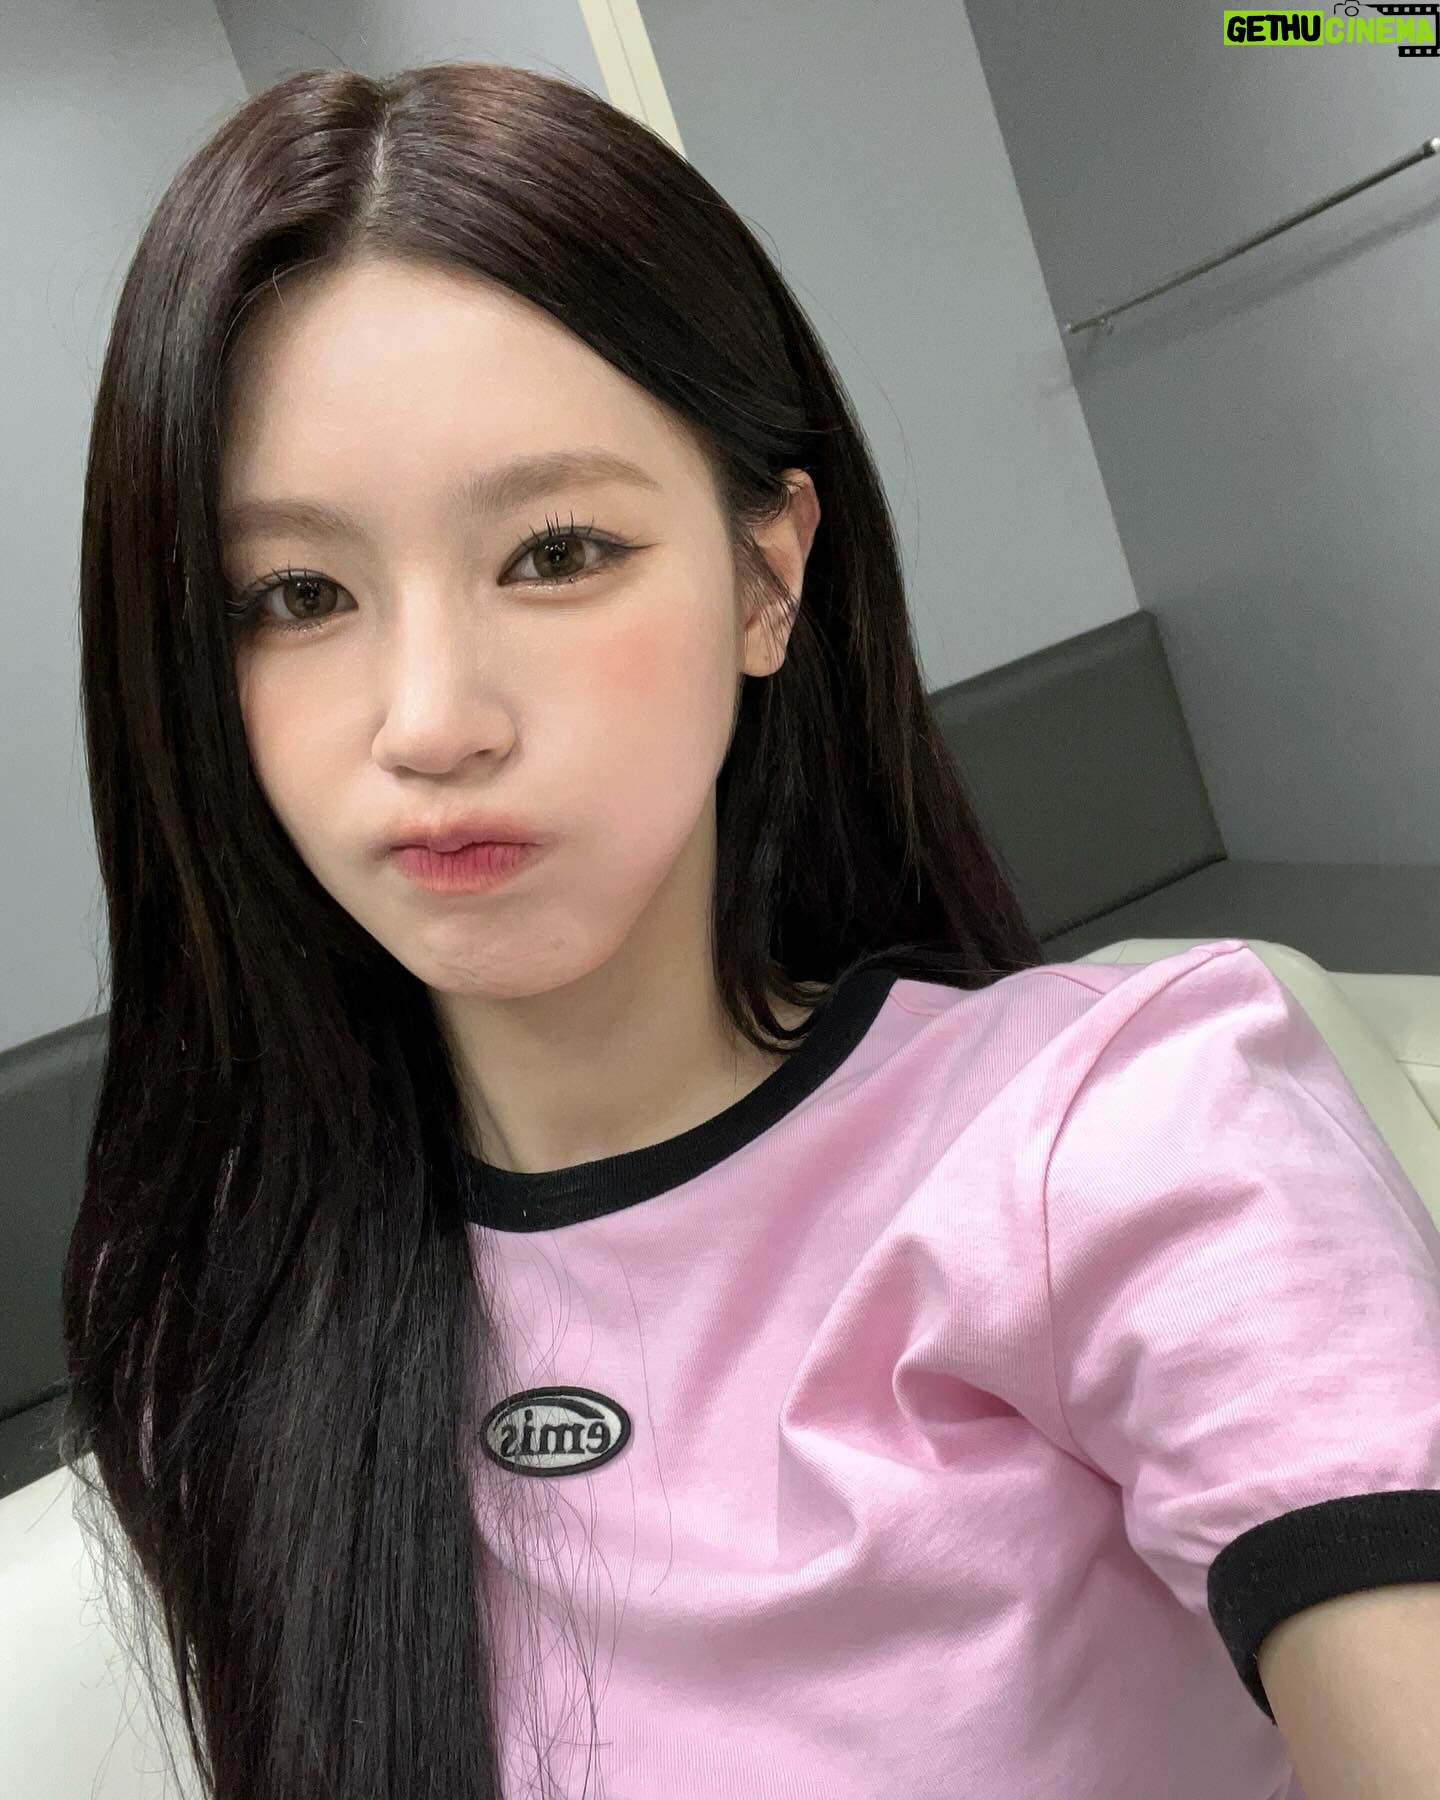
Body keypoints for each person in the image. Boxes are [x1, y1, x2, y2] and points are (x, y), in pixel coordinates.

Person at [58, 60, 1440, 1800]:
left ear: (769, 576)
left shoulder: (1124, 1133)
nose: (433, 720)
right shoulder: (233, 1319)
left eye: (558, 551)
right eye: (296, 594)